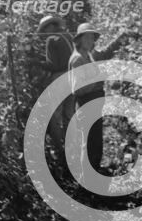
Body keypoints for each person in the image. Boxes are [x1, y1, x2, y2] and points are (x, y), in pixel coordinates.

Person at [68, 23, 135, 176]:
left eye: (92, 38)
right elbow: (77, 89)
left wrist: (122, 37)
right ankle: (86, 178)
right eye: (88, 37)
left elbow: (105, 53)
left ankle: (93, 172)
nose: (91, 41)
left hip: (93, 103)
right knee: (89, 141)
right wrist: (97, 81)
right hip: (86, 103)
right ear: (80, 40)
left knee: (95, 139)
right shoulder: (78, 60)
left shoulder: (89, 56)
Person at [28, 15, 75, 159]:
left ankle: (60, 150)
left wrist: (35, 62)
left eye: (44, 29)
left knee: (55, 115)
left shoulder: (52, 39)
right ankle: (72, 146)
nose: (44, 33)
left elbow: (54, 65)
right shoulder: (68, 35)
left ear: (50, 27)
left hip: (60, 78)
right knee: (69, 113)